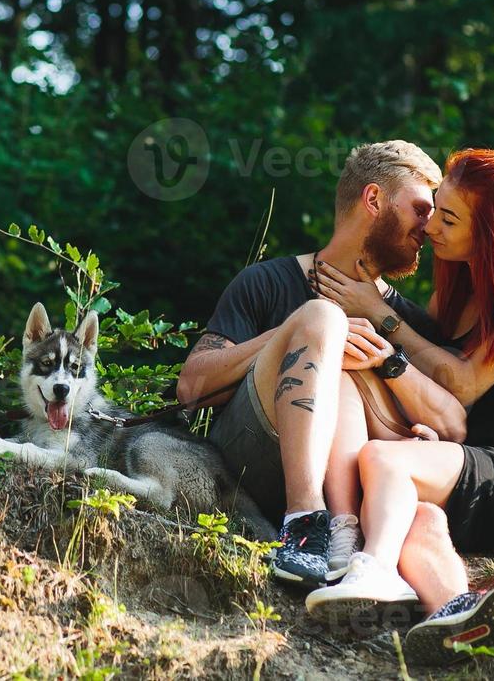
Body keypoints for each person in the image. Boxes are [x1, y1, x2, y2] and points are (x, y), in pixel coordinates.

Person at [305, 149, 494, 668]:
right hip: (455, 462)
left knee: (384, 460)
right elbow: (430, 391)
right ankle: (458, 611)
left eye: (447, 218)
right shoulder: (453, 296)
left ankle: (371, 568)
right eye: (433, 211)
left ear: (492, 233)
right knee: (416, 516)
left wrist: (378, 314)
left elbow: (463, 385)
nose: (429, 228)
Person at [177, 141, 466, 588]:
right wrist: (298, 330)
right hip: (254, 459)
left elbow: (453, 426)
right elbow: (192, 388)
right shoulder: (267, 282)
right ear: (373, 200)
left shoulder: (407, 322)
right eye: (421, 209)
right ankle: (304, 519)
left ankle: (446, 608)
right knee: (322, 317)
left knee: (424, 516)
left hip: (357, 502)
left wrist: (415, 438)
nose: (429, 228)